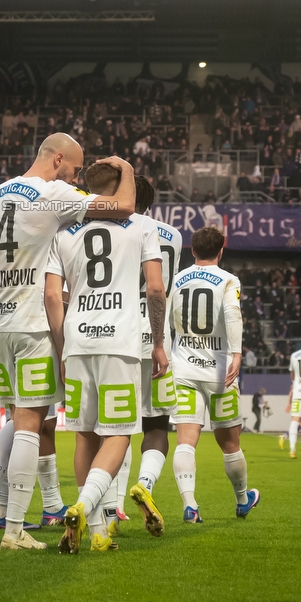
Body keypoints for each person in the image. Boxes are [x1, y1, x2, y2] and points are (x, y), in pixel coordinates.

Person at [0, 134, 135, 551]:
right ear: (57, 160)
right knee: (31, 423)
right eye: (74, 169)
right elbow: (124, 206)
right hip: (33, 324)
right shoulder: (55, 194)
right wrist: (127, 168)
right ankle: (13, 529)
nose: (76, 178)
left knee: (16, 418)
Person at [44, 162, 166, 553]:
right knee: (118, 435)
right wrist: (159, 342)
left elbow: (51, 296)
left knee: (84, 433)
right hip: (121, 341)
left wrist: (62, 348)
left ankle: (96, 531)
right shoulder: (145, 227)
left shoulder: (64, 231)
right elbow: (156, 290)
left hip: (78, 340)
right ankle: (85, 505)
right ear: (123, 185)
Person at [169, 226, 260, 523]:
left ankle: (190, 504)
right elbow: (233, 314)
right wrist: (236, 353)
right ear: (221, 251)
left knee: (185, 441)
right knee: (230, 444)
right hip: (220, 373)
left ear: (192, 250)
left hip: (183, 369)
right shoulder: (229, 280)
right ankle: (243, 499)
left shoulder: (177, 279)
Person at [125, 175, 182, 537]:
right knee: (157, 426)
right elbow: (159, 285)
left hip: (120, 337)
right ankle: (145, 481)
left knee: (113, 428)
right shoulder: (173, 235)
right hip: (160, 340)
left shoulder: (121, 230)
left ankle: (112, 502)